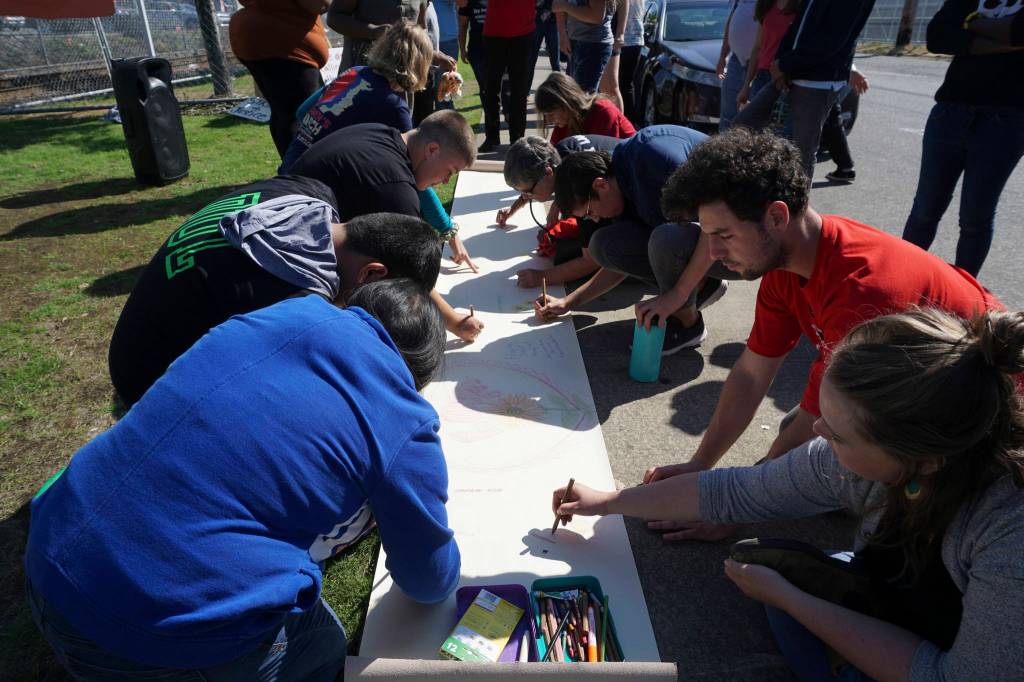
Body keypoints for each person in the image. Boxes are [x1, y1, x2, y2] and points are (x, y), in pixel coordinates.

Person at [551, 306, 1024, 681]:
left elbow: (954, 676)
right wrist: (608, 502)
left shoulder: (1008, 532)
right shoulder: (891, 452)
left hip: (964, 656)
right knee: (784, 576)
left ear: (925, 460)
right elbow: (735, 492)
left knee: (789, 605)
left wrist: (792, 601)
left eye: (837, 434)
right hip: (917, 602)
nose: (816, 431)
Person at [29, 281, 460, 680]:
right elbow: (428, 581)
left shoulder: (281, 314)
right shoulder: (404, 417)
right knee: (321, 644)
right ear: (420, 376)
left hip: (51, 549)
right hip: (152, 634)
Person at [643, 127, 1007, 541]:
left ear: (776, 217)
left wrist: (734, 507)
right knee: (813, 439)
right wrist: (700, 465)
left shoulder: (865, 294)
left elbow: (816, 419)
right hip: (928, 399)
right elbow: (751, 374)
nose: (713, 253)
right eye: (708, 236)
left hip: (993, 428)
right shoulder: (786, 265)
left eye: (724, 235)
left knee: (834, 443)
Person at [108, 184, 443, 405]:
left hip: (143, 327)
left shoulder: (306, 193)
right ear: (371, 274)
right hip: (145, 381)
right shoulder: (294, 308)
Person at [535, 125, 734, 355]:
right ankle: (704, 285)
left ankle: (687, 325)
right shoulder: (618, 188)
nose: (595, 219)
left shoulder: (655, 160)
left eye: (590, 212)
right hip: (707, 244)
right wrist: (569, 302)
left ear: (600, 185)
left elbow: (716, 223)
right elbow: (620, 264)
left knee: (665, 238)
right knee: (603, 245)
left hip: (742, 240)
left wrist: (677, 294)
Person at [288, 111, 485, 341]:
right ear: (432, 150)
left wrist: (448, 230)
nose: (446, 181)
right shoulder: (394, 187)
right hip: (292, 261)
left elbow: (418, 185)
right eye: (449, 172)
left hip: (280, 215)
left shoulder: (383, 134)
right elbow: (411, 272)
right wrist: (454, 321)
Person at [901, 0, 1024, 279]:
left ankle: (962, 294)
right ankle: (902, 284)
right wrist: (1002, 38)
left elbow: (1019, 33)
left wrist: (970, 26)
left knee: (975, 219)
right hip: (951, 111)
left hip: (1007, 120)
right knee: (924, 210)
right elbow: (936, 37)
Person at [733, 0, 874, 181]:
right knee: (743, 124)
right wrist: (781, 64)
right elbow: (795, 29)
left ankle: (794, 198)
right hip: (788, 74)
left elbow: (832, 40)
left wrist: (785, 64)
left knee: (800, 152)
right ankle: (749, 185)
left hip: (817, 83)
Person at [279, 20, 433, 172]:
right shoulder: (394, 106)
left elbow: (302, 111)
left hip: (290, 167)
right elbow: (410, 166)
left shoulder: (355, 72)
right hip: (312, 181)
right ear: (419, 64)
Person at [499, 134, 624, 287]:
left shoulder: (578, 191)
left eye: (528, 192)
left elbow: (590, 261)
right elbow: (534, 183)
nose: (526, 197)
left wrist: (542, 277)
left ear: (548, 173)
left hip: (635, 209)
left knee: (566, 253)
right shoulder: (560, 152)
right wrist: (513, 209)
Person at [229, 0, 331, 159]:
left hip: (257, 36)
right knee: (301, 114)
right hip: (284, 43)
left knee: (283, 112)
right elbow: (319, 4)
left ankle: (293, 166)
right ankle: (300, 168)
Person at [479, 0, 536, 152]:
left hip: (523, 32)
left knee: (519, 91)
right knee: (490, 90)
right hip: (494, 32)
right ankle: (491, 137)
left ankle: (517, 138)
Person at [734, 0, 799, 118]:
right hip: (763, 75)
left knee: (779, 126)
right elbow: (758, 47)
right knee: (754, 122)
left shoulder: (800, 6)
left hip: (786, 78)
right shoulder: (766, 4)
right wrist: (746, 86)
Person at [536, 72, 635, 146]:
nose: (549, 120)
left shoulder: (603, 111)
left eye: (551, 114)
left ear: (567, 103)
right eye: (546, 115)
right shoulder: (566, 119)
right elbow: (555, 154)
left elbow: (607, 158)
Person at [820, 64, 868, 184]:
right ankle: (846, 167)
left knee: (830, 120)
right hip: (833, 77)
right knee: (831, 120)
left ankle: (846, 167)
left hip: (826, 78)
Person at [554, 0, 614, 93]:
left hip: (593, 45)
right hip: (575, 41)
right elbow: (558, 5)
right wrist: (562, 34)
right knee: (575, 95)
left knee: (583, 96)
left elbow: (597, 16)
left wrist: (565, 7)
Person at [716, 0, 758, 131]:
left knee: (752, 121)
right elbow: (731, 21)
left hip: (759, 66)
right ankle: (723, 144)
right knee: (727, 117)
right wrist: (723, 56)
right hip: (735, 61)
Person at [597, 0, 628, 111]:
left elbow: (624, 2)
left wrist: (620, 33)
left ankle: (618, 121)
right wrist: (562, 33)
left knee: (610, 88)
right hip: (579, 34)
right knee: (582, 89)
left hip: (610, 36)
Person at [618, 0, 645, 124]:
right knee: (627, 84)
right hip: (636, 39)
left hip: (623, 39)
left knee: (619, 85)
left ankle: (624, 121)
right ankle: (630, 122)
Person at [533, 0, 563, 73]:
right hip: (536, 21)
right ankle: (527, 80)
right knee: (531, 60)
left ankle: (558, 80)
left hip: (552, 22)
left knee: (555, 60)